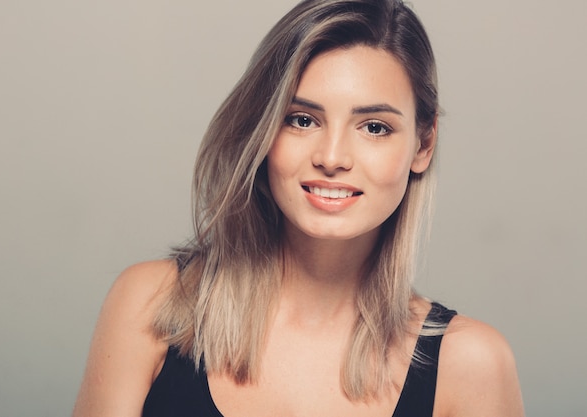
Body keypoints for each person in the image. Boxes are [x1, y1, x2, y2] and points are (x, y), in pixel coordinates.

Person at [73, 0, 524, 415]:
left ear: (423, 144)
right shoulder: (151, 305)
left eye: (374, 127)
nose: (332, 157)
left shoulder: (472, 366)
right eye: (302, 119)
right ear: (265, 130)